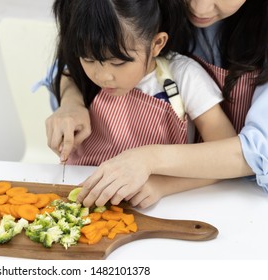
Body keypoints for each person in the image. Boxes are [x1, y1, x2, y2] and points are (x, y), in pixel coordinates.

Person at [45, 0, 268, 209]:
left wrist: (155, 172)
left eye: (118, 62)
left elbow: (250, 151)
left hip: (218, 200)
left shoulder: (185, 75)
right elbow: (69, 64)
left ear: (158, 44)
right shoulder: (112, 20)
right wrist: (70, 101)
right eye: (90, 60)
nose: (199, 9)